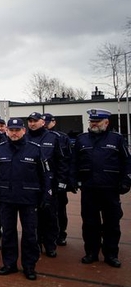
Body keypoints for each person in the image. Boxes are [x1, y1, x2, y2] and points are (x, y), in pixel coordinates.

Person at [0, 118, 51, 281]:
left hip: (29, 199)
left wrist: (46, 195)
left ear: (23, 131)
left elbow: (45, 176)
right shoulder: (0, 150)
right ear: (7, 131)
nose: (14, 133)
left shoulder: (35, 149)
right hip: (6, 198)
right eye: (11, 130)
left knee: (30, 234)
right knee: (8, 233)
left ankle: (29, 266)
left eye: (17, 130)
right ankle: (9, 264)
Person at [72, 109, 131, 268]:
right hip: (89, 188)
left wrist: (126, 180)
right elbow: (74, 163)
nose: (94, 124)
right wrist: (74, 181)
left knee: (112, 223)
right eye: (92, 121)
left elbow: (127, 162)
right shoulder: (81, 140)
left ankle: (111, 254)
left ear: (106, 122)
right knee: (90, 223)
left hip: (110, 188)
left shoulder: (117, 139)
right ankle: (91, 252)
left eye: (97, 121)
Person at [26, 112, 69, 258]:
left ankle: (50, 245)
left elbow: (62, 161)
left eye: (35, 121)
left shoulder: (54, 138)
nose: (32, 123)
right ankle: (36, 243)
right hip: (31, 184)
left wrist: (61, 182)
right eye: (30, 121)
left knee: (50, 216)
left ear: (42, 122)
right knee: (33, 218)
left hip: (50, 184)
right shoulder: (24, 138)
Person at [43, 112, 75, 246]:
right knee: (44, 210)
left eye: (47, 122)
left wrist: (64, 181)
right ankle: (46, 235)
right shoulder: (34, 137)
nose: (44, 125)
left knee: (60, 209)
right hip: (43, 181)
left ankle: (61, 234)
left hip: (57, 180)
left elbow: (67, 160)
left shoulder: (62, 137)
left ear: (53, 122)